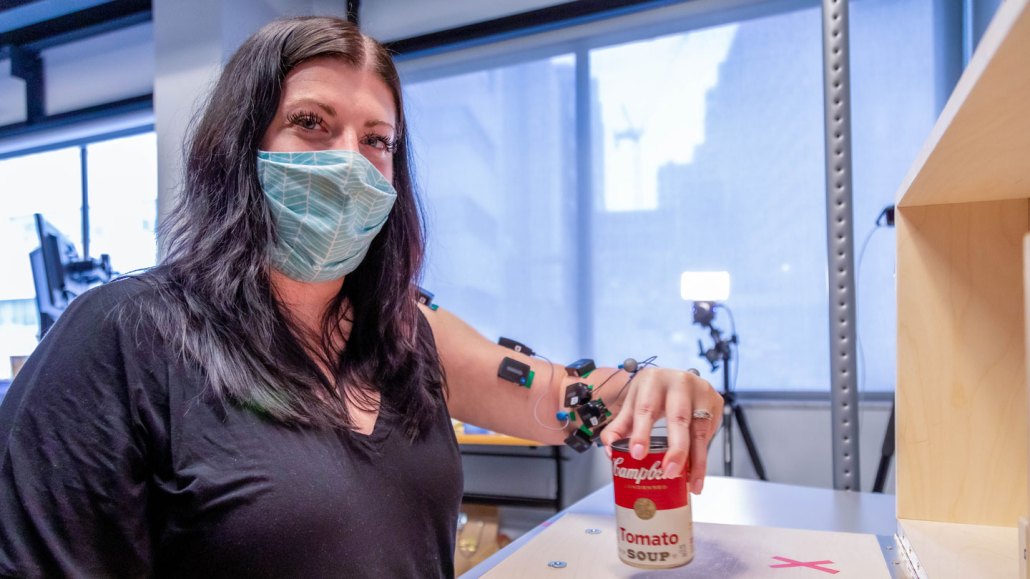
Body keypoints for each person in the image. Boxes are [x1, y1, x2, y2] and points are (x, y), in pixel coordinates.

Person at [0, 16, 724, 579]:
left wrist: (649, 390)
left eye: (377, 140)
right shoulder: (124, 337)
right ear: (239, 144)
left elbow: (554, 400)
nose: (351, 159)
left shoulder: (406, 330)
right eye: (312, 124)